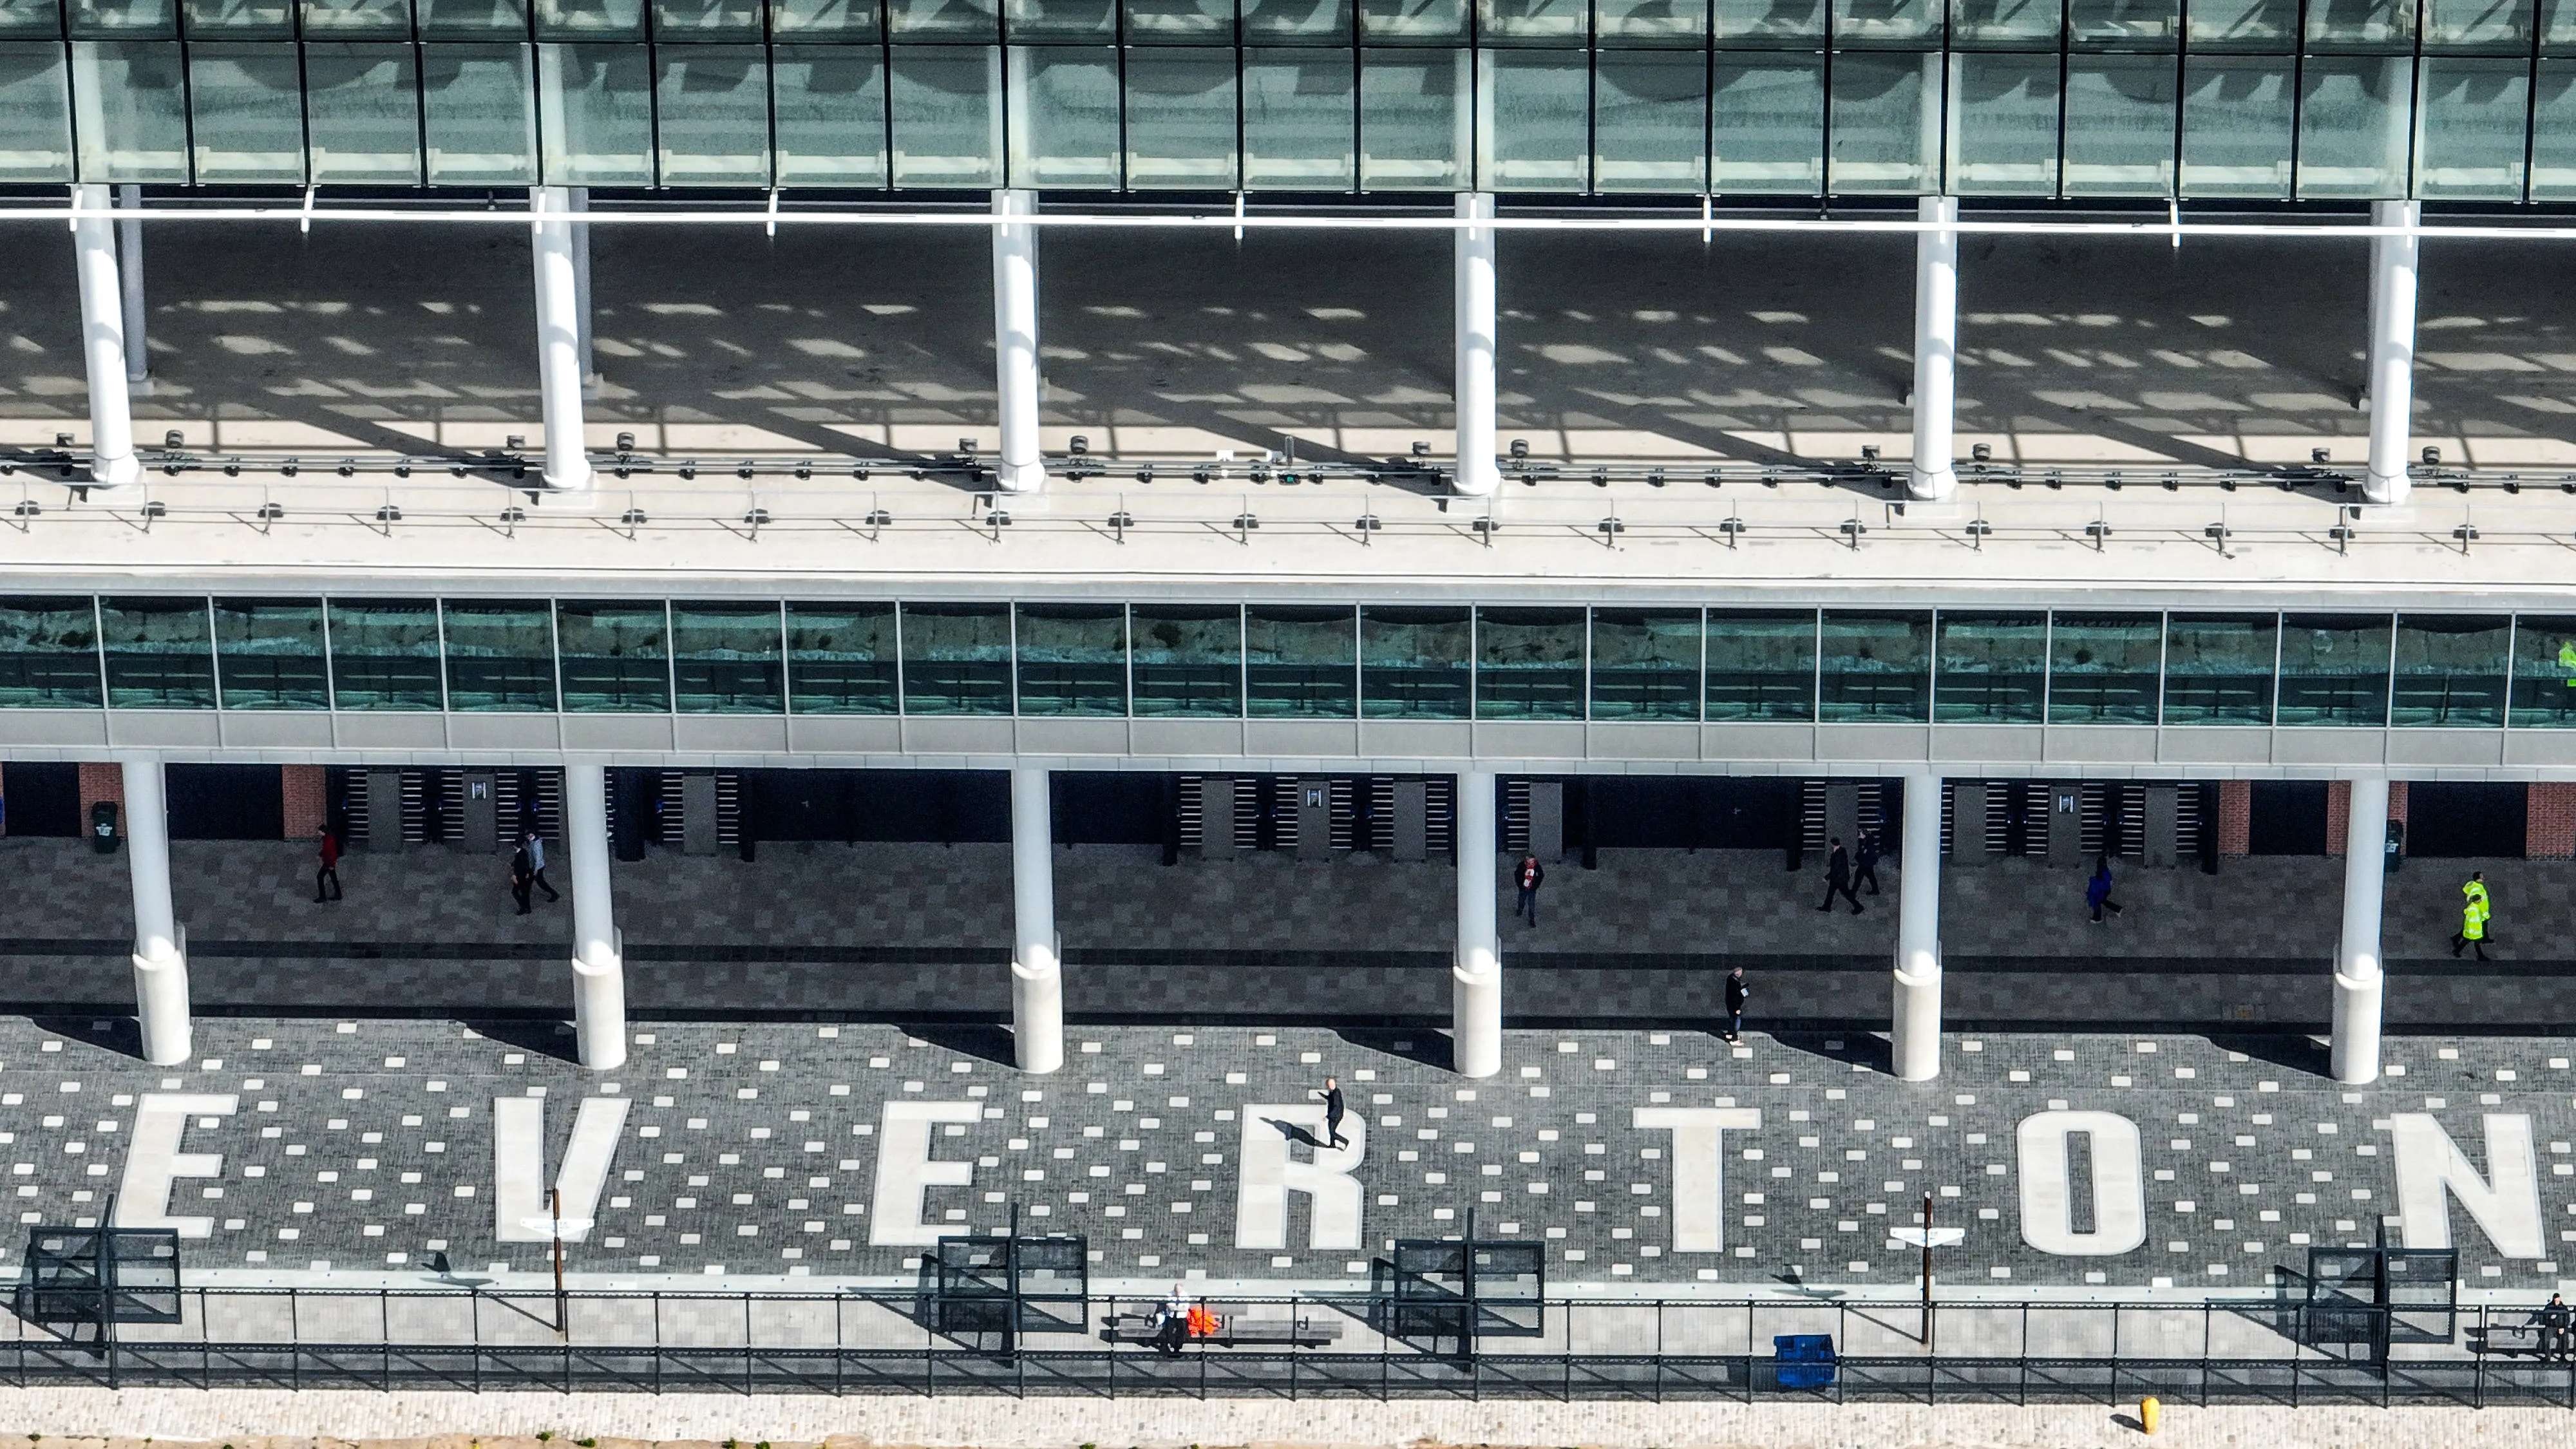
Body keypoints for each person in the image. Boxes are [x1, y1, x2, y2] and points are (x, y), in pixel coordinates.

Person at [1817, 837, 1862, 914]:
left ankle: (1858, 906)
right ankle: (1826, 907)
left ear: (1832, 844)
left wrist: (1827, 877)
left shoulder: (1837, 855)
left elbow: (1835, 868)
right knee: (1830, 893)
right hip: (1838, 878)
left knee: (1846, 894)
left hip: (1840, 879)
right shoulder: (1842, 851)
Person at [2452, 871, 2491, 960]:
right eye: (2482, 877)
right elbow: (2471, 921)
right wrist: (2485, 915)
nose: (2483, 878)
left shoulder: (2476, 888)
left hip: (2474, 930)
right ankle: (2480, 955)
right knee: (2473, 942)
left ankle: (2456, 944)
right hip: (2474, 930)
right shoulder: (2474, 909)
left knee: (2467, 941)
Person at [1151, 1281, 1191, 1357]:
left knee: (1181, 1333)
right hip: (1171, 1316)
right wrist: (1179, 1308)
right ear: (1174, 1290)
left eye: (1179, 1292)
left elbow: (1186, 1308)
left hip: (1181, 1317)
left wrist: (1176, 1308)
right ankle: (1172, 1346)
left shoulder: (1185, 1295)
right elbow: (1170, 1307)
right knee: (1169, 1332)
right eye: (1176, 1291)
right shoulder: (1169, 1295)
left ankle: (1177, 1349)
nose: (1178, 1294)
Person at [524, 827, 562, 904]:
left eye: (528, 835)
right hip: (534, 865)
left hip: (538, 867)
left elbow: (538, 859)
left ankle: (554, 894)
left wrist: (536, 870)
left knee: (541, 882)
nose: (527, 837)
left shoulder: (536, 845)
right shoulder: (533, 841)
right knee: (532, 880)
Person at [2087, 853, 2123, 924]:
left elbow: (2105, 883)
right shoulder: (2104, 871)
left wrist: (2095, 882)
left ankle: (2098, 918)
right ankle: (2117, 909)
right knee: (2100, 901)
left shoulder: (2103, 872)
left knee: (2098, 901)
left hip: (2103, 891)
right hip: (2103, 890)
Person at [1314, 1075, 1348, 1150]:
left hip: (1336, 1116)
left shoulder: (1335, 1093)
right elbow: (1330, 1098)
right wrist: (1323, 1096)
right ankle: (1332, 1144)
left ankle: (1345, 1141)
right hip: (1334, 1115)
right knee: (1331, 1130)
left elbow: (1336, 1106)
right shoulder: (1334, 1091)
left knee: (1332, 1132)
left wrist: (1328, 1116)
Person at [1513, 853, 1544, 929]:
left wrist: (1535, 886)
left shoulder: (1537, 866)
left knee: (1531, 904)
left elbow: (1541, 875)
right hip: (1523, 888)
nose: (1532, 863)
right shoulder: (1521, 866)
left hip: (1532, 889)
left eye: (1533, 861)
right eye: (1530, 861)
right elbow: (1517, 875)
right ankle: (1520, 909)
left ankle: (1531, 919)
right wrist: (1520, 885)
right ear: (1526, 861)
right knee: (1521, 900)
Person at [314, 826, 343, 904]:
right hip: (329, 862)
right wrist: (321, 854)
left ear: (323, 832)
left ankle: (322, 897)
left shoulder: (328, 840)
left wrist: (331, 865)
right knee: (334, 878)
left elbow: (331, 853)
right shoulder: (328, 838)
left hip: (328, 863)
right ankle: (338, 895)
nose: (318, 833)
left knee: (320, 877)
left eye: (319, 831)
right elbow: (326, 850)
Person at [1723, 964, 1748, 1045]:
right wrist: (1738, 1007)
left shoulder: (1730, 979)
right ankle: (1734, 1038)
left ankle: (1730, 1035)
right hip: (1735, 1005)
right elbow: (1736, 995)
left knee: (1732, 1019)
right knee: (1737, 1021)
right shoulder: (1735, 983)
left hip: (1730, 1003)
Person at [1852, 830, 1884, 896]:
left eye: (1860, 835)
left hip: (1865, 864)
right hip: (1868, 864)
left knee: (1858, 877)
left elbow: (1864, 854)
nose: (1859, 836)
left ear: (1864, 835)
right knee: (1871, 876)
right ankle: (1875, 890)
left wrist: (1858, 858)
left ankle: (1853, 892)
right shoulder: (1868, 841)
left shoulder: (1868, 844)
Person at [509, 839, 536, 916]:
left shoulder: (520, 854)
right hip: (525, 876)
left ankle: (524, 907)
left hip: (521, 877)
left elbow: (523, 866)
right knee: (525, 893)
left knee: (515, 892)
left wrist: (515, 876)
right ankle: (527, 908)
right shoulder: (523, 852)